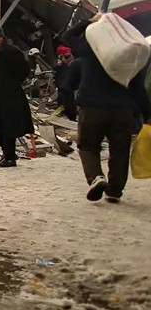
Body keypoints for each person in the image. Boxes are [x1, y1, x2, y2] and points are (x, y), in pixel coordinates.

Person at [61, 16, 151, 202]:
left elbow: (67, 36)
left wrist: (89, 21)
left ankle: (96, 177)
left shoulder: (89, 52)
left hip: (93, 108)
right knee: (120, 150)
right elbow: (139, 90)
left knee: (88, 146)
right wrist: (148, 114)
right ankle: (114, 191)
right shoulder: (128, 60)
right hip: (123, 111)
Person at [0, 25, 34, 168]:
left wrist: (9, 84)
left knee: (7, 126)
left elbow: (23, 70)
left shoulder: (10, 51)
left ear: (0, 37)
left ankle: (10, 156)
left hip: (8, 96)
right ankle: (8, 154)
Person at [54, 45, 80, 121]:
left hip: (74, 89)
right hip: (65, 90)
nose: (69, 59)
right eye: (66, 57)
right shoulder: (60, 67)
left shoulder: (75, 64)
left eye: (69, 56)